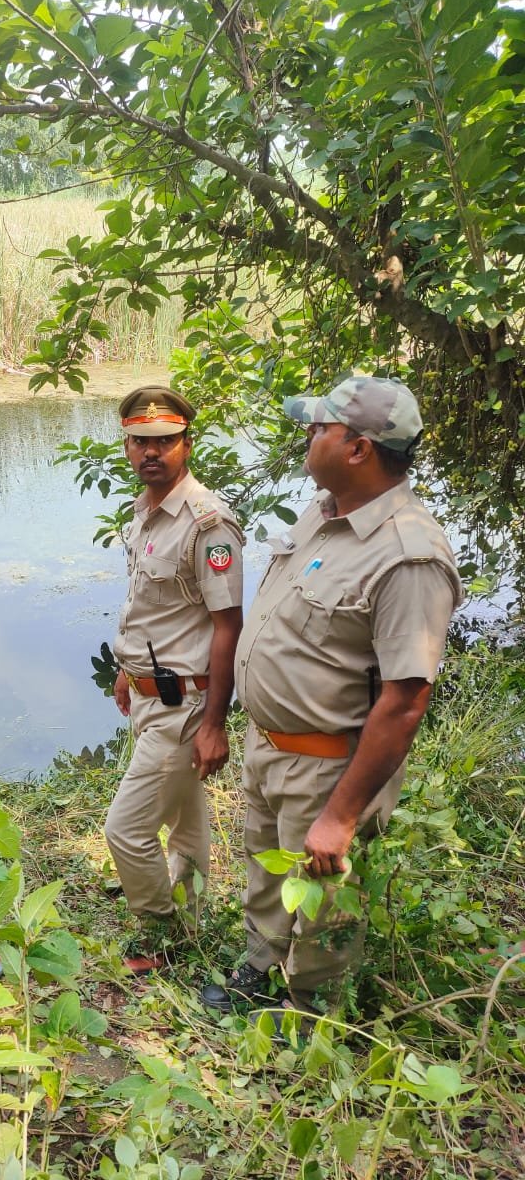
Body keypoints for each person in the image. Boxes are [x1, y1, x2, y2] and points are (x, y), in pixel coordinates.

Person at [201, 376, 463, 1019]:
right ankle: (261, 964)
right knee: (267, 871)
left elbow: (404, 703)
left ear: (358, 449)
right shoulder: (324, 511)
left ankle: (311, 1013)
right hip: (272, 747)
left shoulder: (409, 558)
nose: (308, 435)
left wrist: (341, 816)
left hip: (327, 766)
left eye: (321, 427)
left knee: (324, 901)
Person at [106, 386, 244, 973]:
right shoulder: (145, 510)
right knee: (187, 818)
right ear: (128, 445)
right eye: (140, 441)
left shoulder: (208, 523)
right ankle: (189, 921)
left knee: (125, 830)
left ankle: (161, 935)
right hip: (150, 693)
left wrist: (215, 722)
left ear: (187, 442)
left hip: (185, 705)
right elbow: (152, 607)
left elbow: (228, 625)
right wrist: (126, 670)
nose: (151, 452)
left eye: (164, 440)